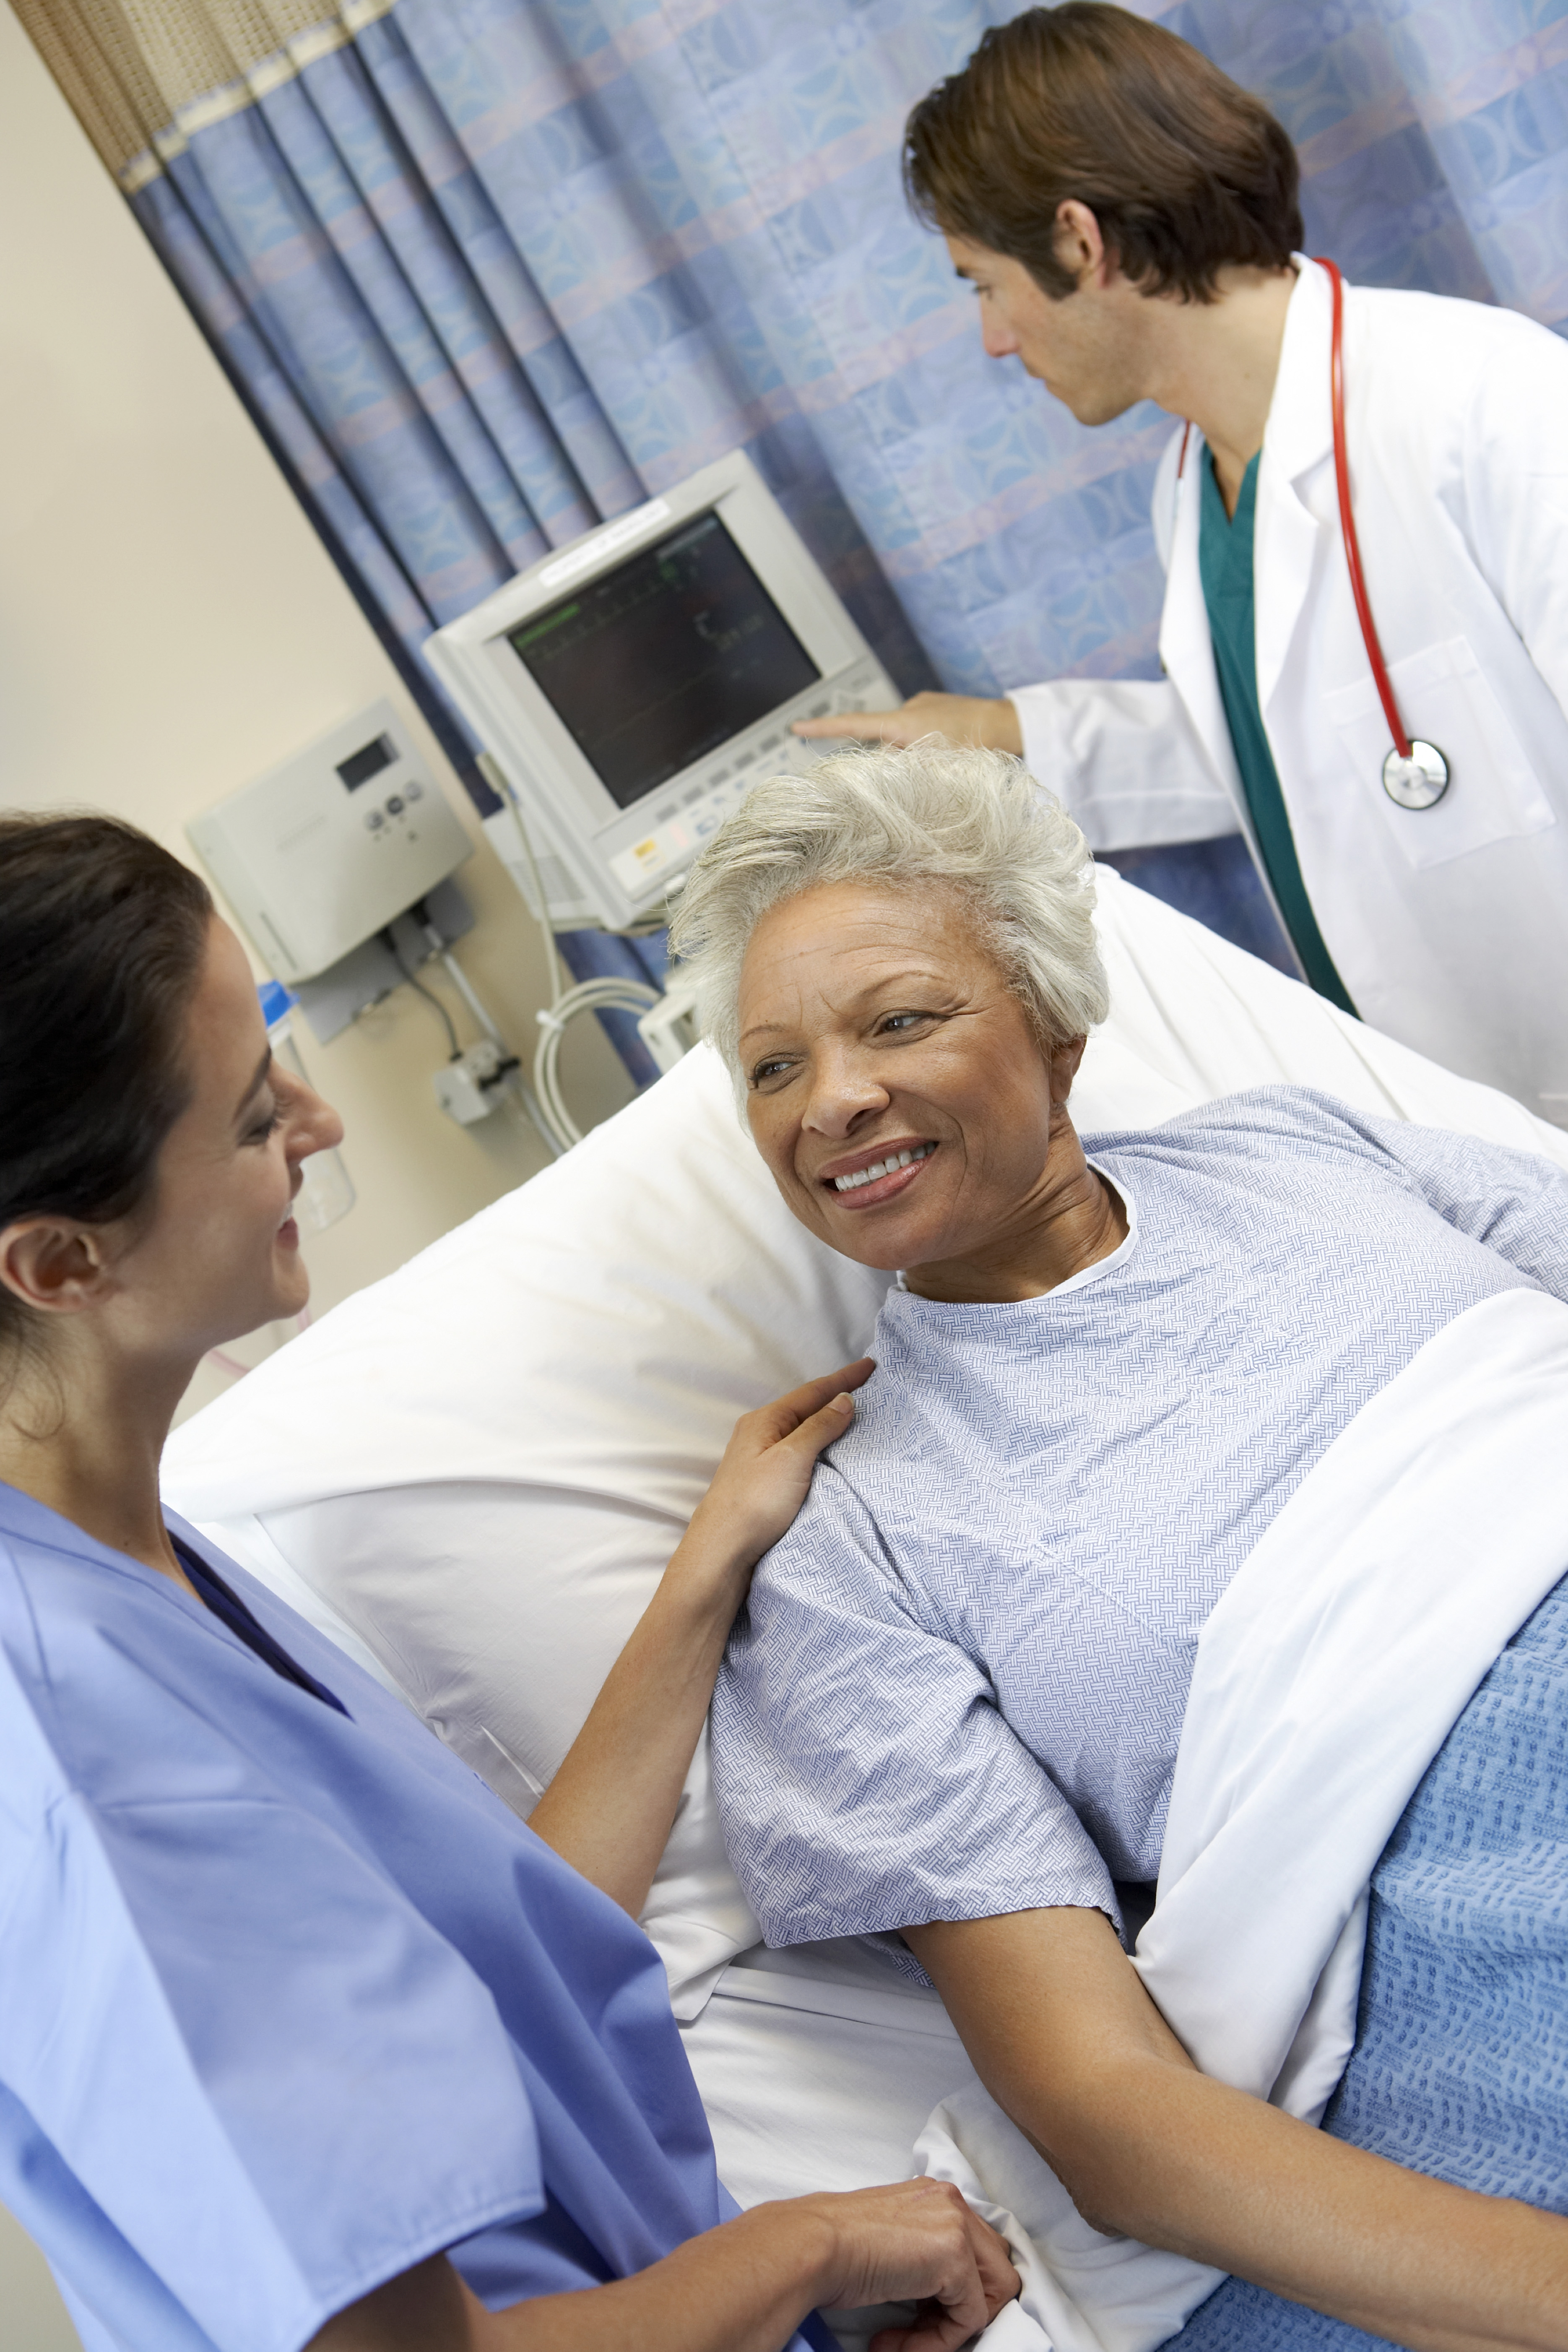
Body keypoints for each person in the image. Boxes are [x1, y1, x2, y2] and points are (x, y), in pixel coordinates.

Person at [0, 812, 1022, 2352]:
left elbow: (508, 1960)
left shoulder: (123, 1548)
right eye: (247, 1113)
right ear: (63, 1267)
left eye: (276, 1035)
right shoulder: (75, 1745)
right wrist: (808, 2250)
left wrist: (705, 1566)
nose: (322, 1122)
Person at [665, 742, 1568, 2351]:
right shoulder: (843, 1550)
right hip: (1479, 1923)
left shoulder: (1307, 1150)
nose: (837, 1099)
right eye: (774, 1068)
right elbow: (1103, 2112)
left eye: (897, 1021)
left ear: (1058, 1028)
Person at [794, 3, 1568, 1127]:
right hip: (1473, 1127)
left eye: (982, 283)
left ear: (1076, 242)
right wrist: (1009, 739)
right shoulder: (1192, 489)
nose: (993, 340)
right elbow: (1305, 757)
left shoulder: (1487, 407)